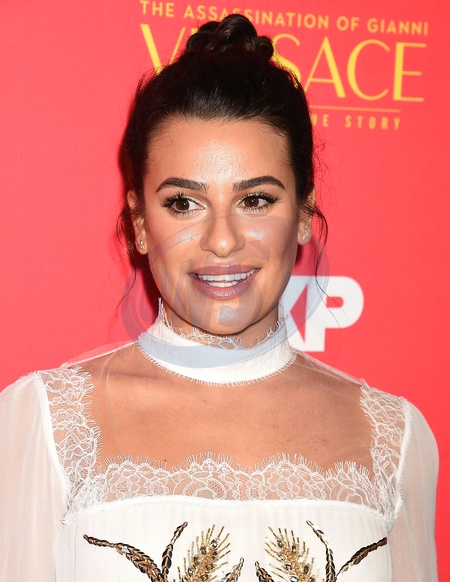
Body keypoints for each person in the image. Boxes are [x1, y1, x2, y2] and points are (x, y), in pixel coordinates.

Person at [0, 14, 437, 582]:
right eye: (184, 203)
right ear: (140, 223)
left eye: (256, 201)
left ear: (304, 212)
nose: (223, 240)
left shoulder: (395, 438)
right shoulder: (42, 425)